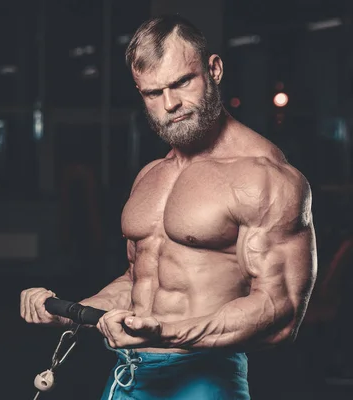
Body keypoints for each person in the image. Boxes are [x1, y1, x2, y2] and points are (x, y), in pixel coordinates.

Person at [20, 14, 317, 400]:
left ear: (214, 69)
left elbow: (280, 314)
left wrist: (166, 332)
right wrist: (71, 310)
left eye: (182, 83)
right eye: (152, 93)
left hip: (204, 381)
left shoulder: (265, 177)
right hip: (130, 374)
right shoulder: (151, 175)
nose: (170, 104)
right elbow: (141, 280)